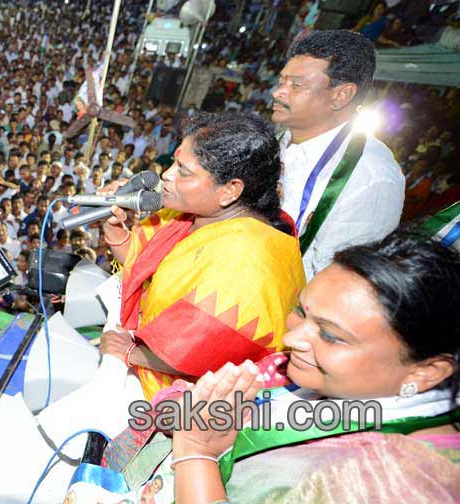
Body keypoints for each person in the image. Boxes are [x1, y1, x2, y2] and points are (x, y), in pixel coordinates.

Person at [78, 230, 460, 503]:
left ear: (425, 372)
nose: (292, 339)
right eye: (301, 311)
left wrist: (197, 453)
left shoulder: (409, 484)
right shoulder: (299, 372)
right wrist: (188, 407)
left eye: (331, 335)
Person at [99, 112, 306, 400]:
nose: (166, 175)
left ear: (230, 190)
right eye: (173, 162)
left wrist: (131, 353)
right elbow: (145, 267)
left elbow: (199, 351)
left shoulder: (249, 257)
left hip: (187, 401)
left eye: (183, 171)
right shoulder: (195, 213)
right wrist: (115, 229)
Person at [273, 30, 405, 279]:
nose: (277, 93)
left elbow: (339, 280)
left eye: (296, 85)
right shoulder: (280, 139)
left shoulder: (370, 176)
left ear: (340, 95)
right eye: (282, 82)